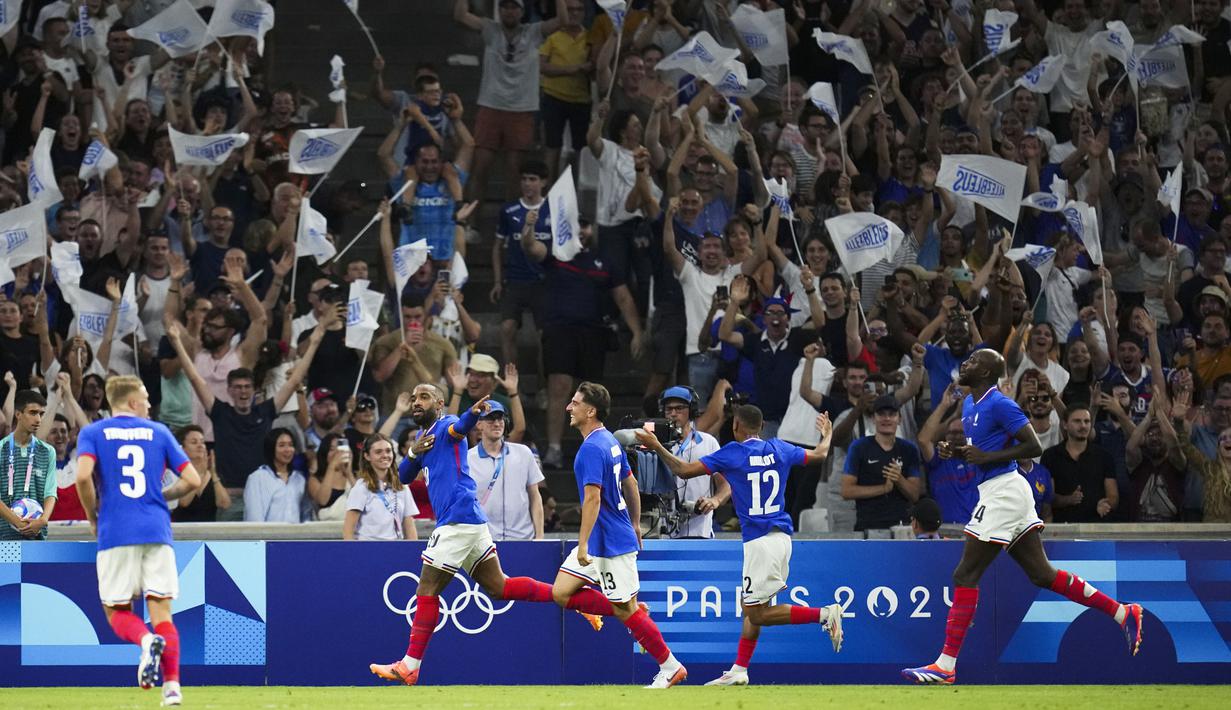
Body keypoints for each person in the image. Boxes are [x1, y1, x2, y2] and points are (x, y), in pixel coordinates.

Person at [902, 350, 1145, 685]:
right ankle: (1122, 612)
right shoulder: (971, 404)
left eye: (973, 362)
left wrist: (987, 455)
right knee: (1042, 574)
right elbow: (983, 453)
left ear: (987, 372)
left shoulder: (1000, 403)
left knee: (965, 573)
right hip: (998, 490)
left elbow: (1033, 447)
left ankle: (945, 665)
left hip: (1004, 490)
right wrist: (957, 452)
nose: (966, 365)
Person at [369, 384, 582, 686]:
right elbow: (403, 476)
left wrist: (472, 413)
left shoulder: (446, 425)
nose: (416, 402)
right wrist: (413, 453)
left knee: (427, 590)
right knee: (499, 587)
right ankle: (572, 598)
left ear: (440, 403)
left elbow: (461, 427)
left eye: (424, 397)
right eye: (414, 398)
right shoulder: (423, 437)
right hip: (471, 521)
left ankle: (409, 665)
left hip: (457, 520)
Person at [636, 404, 843, 686]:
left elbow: (683, 470)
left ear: (736, 426)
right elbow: (820, 454)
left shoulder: (732, 453)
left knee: (755, 612)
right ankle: (739, 669)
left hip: (759, 542)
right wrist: (826, 434)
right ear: (760, 427)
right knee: (754, 607)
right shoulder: (780, 448)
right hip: (781, 537)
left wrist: (656, 445)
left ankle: (824, 614)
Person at [73, 376, 201, 707]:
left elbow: (83, 475)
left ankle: (145, 642)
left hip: (115, 530)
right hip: (157, 532)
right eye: (144, 398)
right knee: (163, 612)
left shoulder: (92, 432)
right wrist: (160, 495)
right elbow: (193, 480)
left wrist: (91, 516)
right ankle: (172, 687)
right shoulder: (158, 432)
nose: (149, 404)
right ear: (131, 402)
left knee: (116, 612)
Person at [553, 382, 687, 689]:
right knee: (561, 592)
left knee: (624, 609)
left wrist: (583, 542)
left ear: (590, 410)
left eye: (574, 403)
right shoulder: (610, 442)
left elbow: (593, 499)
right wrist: (637, 522)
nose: (568, 407)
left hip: (609, 542)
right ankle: (629, 610)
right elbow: (630, 482)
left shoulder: (591, 448)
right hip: (608, 535)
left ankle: (670, 666)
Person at [841, 395, 924, 531]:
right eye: (881, 414)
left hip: (901, 527)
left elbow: (915, 495)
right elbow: (846, 491)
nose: (886, 418)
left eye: (892, 414)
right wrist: (883, 489)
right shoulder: (859, 447)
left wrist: (899, 479)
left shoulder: (909, 449)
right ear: (873, 418)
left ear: (900, 419)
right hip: (867, 526)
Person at [467, 401, 545, 540]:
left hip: (523, 539)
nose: (497, 423)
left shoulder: (524, 453)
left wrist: (539, 536)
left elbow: (535, 496)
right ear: (479, 424)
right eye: (491, 419)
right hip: (484, 543)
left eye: (500, 418)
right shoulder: (468, 459)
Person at [657, 386, 727, 538]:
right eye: (669, 409)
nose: (673, 414)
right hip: (663, 533)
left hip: (701, 530)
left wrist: (715, 499)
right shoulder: (656, 444)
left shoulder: (709, 443)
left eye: (679, 408)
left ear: (692, 410)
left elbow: (725, 484)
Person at [0, 390, 56, 540]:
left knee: (35, 564)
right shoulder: (1, 449)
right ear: (18, 414)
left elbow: (50, 492)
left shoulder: (48, 451)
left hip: (37, 535)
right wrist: (18, 523)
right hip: (5, 539)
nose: (38, 419)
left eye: (41, 414)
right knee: (10, 565)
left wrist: (43, 520)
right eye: (33, 413)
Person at [344, 433, 419, 541]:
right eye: (378, 452)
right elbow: (348, 530)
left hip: (396, 549)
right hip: (369, 550)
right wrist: (353, 556)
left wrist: (412, 553)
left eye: (388, 451)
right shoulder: (361, 488)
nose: (385, 455)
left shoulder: (401, 485)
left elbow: (409, 526)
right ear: (367, 456)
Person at [243, 429, 309, 524]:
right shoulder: (258, 478)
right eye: (281, 445)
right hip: (268, 536)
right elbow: (254, 517)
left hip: (295, 537)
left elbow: (305, 515)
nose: (287, 450)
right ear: (271, 448)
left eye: (290, 445)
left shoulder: (299, 479)